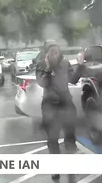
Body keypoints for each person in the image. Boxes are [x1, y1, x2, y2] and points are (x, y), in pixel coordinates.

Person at [36, 42, 85, 180]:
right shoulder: (41, 65)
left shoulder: (65, 63)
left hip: (66, 104)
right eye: (51, 53)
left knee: (70, 137)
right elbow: (42, 83)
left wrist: (80, 65)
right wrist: (48, 68)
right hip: (49, 106)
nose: (54, 55)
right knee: (52, 139)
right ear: (46, 54)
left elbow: (74, 80)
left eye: (56, 52)